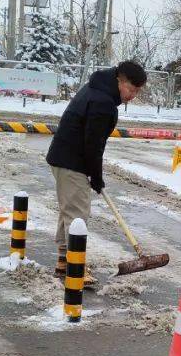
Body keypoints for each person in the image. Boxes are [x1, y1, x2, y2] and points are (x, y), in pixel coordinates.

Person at [44, 60, 147, 280]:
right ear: (120, 80)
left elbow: (92, 140)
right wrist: (96, 175)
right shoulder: (103, 101)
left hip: (66, 157)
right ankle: (75, 266)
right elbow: (94, 144)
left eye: (137, 91)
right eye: (131, 89)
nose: (132, 95)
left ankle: (65, 261)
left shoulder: (99, 89)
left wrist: (93, 173)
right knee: (77, 214)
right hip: (71, 160)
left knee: (69, 211)